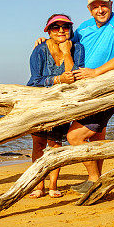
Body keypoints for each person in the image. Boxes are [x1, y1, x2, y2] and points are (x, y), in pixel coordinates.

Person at [67, 0, 114, 194]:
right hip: (86, 91)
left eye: (103, 5)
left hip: (108, 91)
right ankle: (95, 179)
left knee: (74, 137)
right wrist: (43, 42)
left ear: (111, 4)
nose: (100, 9)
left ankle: (94, 180)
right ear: (89, 9)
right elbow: (66, 46)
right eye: (95, 6)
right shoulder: (83, 28)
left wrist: (96, 72)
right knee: (97, 138)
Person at [26, 13, 85, 198]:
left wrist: (67, 53)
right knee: (38, 143)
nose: (61, 30)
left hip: (62, 105)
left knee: (56, 144)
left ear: (70, 30)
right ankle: (38, 185)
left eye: (65, 27)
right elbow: (34, 81)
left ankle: (53, 185)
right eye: (55, 27)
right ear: (48, 31)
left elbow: (76, 77)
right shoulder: (40, 50)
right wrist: (58, 79)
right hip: (40, 103)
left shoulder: (78, 48)